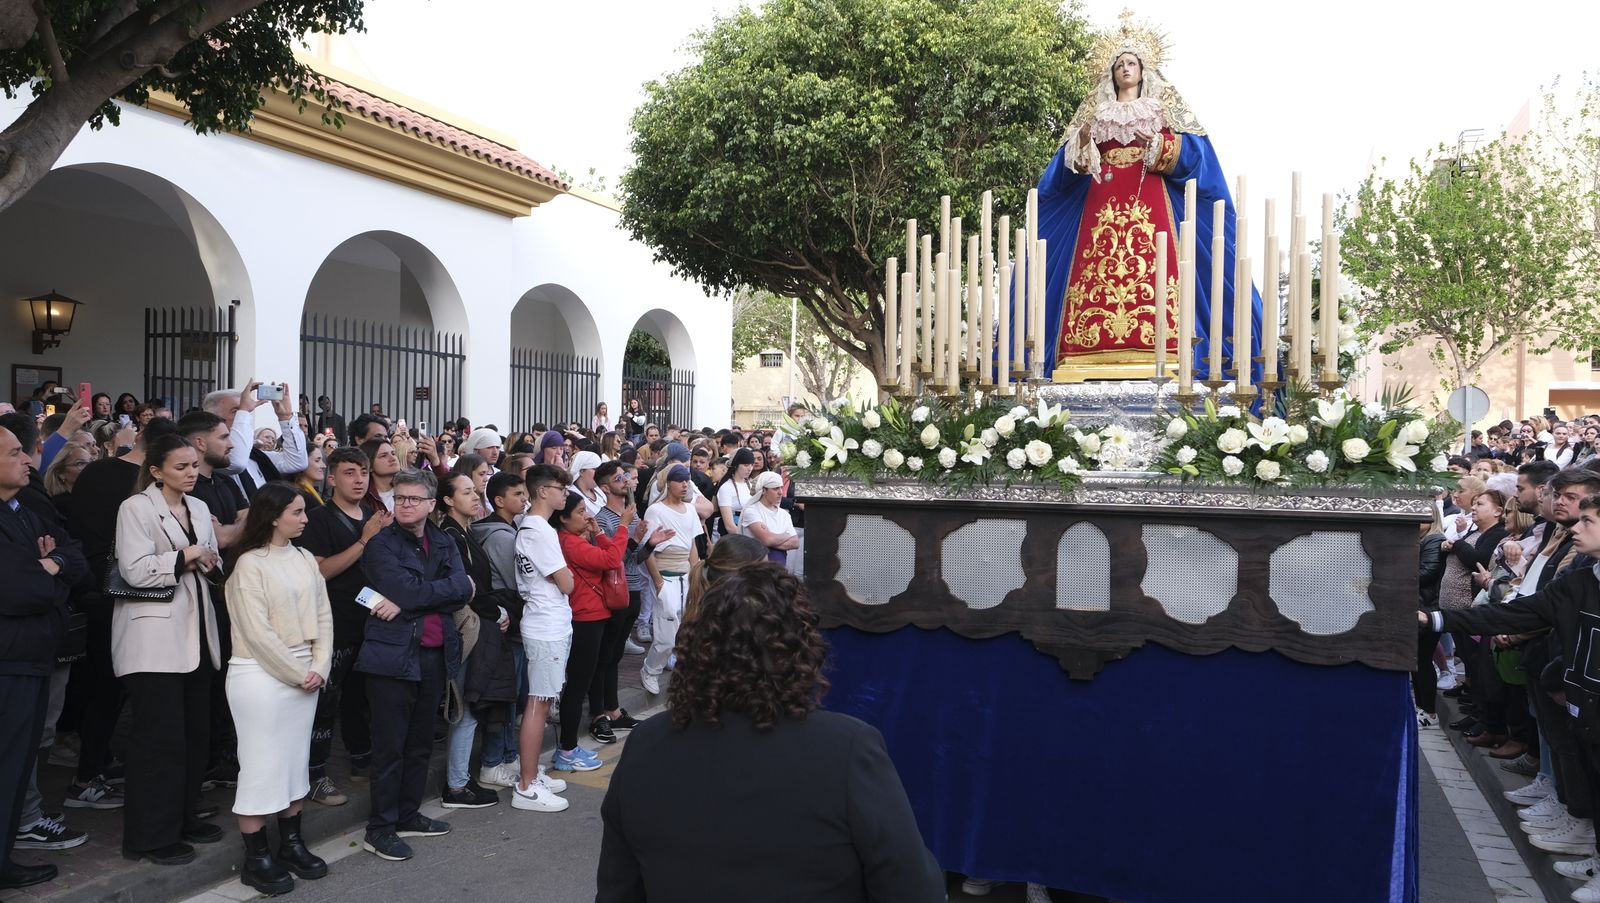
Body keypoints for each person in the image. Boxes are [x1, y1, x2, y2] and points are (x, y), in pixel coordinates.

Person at [595, 563, 944, 902]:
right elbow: (912, 887)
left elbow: (618, 888)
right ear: (801, 651)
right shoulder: (846, 750)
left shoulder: (646, 744)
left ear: (699, 647)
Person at [1038, 23, 1256, 380]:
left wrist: (1159, 145)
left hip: (1151, 202)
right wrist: (1084, 142)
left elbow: (1198, 156)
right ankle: (1085, 351)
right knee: (1095, 269)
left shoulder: (1163, 108)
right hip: (1101, 203)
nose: (1125, 68)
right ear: (1111, 73)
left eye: (1132, 63)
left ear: (1143, 71)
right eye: (1119, 63)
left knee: (1159, 265)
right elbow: (1065, 169)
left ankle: (1168, 350)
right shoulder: (1095, 113)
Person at [1421, 495, 1600, 901]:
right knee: (1591, 775)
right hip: (1587, 703)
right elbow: (1516, 613)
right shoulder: (1579, 583)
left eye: (1587, 521)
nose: (1575, 528)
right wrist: (1436, 618)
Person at [113, 434, 224, 865]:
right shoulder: (136, 508)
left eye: (194, 465)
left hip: (197, 632)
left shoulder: (198, 507)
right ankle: (149, 837)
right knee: (159, 740)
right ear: (156, 471)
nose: (192, 473)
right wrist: (185, 556)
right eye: (181, 467)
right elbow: (136, 569)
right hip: (153, 639)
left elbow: (211, 555)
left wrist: (203, 557)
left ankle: (183, 817)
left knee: (195, 734)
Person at [222, 484, 333, 894]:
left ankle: (290, 844)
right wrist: (298, 672)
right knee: (261, 766)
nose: (306, 518)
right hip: (259, 677)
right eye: (298, 512)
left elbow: (324, 615)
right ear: (273, 516)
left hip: (305, 674)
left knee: (293, 763)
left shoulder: (304, 557)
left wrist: (319, 666)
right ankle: (257, 858)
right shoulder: (249, 564)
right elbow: (256, 632)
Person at [357, 468, 470, 862]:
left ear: (431, 505)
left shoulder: (442, 541)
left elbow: (464, 589)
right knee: (389, 747)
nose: (404, 504)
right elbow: (407, 589)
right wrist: (423, 594)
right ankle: (380, 828)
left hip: (435, 655)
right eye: (399, 498)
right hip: (391, 657)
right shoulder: (381, 544)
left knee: (420, 743)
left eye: (412, 499)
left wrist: (415, 598)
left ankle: (407, 815)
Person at [1, 423, 87, 892]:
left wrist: (50, 565)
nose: (29, 461)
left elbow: (75, 560)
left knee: (18, 766)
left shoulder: (24, 511)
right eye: (16, 453)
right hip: (8, 661)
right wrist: (50, 572)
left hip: (34, 655)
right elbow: (21, 590)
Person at [296, 447, 391, 806]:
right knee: (325, 702)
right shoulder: (319, 519)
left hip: (371, 622)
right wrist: (365, 539)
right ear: (331, 478)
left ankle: (362, 760)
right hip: (333, 624)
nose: (359, 479)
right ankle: (315, 774)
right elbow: (320, 571)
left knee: (362, 698)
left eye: (363, 472)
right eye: (350, 473)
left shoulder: (373, 513)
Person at [435, 473, 505, 810]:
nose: (476, 497)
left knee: (470, 707)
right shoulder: (449, 535)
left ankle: (460, 782)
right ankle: (457, 786)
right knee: (464, 709)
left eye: (476, 492)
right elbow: (466, 587)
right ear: (447, 500)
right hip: (466, 626)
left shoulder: (463, 532)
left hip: (476, 622)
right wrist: (497, 611)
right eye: (467, 492)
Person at [510, 465, 576, 813]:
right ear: (541, 491)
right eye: (559, 487)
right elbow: (565, 582)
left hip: (549, 622)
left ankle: (532, 774)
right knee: (538, 703)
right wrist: (568, 579)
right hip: (545, 624)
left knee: (544, 700)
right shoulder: (538, 531)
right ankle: (526, 784)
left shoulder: (534, 527)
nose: (565, 493)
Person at [549, 489, 629, 773]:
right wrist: (621, 528)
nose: (587, 516)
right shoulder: (570, 543)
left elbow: (607, 556)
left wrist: (599, 534)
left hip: (593, 615)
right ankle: (567, 750)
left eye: (586, 510)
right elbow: (611, 560)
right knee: (577, 686)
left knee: (583, 681)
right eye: (580, 512)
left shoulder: (574, 538)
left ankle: (570, 746)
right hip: (585, 618)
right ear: (563, 518)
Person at [640, 466, 702, 695]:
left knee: (687, 626)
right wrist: (658, 582)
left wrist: (695, 574)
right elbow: (649, 551)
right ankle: (650, 670)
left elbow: (693, 545)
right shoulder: (655, 511)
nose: (685, 485)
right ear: (669, 483)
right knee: (666, 633)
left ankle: (679, 667)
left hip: (686, 574)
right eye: (680, 481)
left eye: (687, 481)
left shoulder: (690, 509)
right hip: (665, 575)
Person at [741, 471, 800, 566]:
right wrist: (786, 535)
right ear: (764, 490)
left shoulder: (784, 514)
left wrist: (772, 539)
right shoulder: (752, 511)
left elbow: (795, 543)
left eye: (781, 487)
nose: (780, 492)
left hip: (779, 567)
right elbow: (767, 539)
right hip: (756, 566)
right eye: (775, 488)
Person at [713, 448, 756, 539]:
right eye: (746, 465)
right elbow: (729, 526)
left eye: (752, 465)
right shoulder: (726, 487)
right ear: (736, 465)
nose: (750, 468)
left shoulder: (750, 485)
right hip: (734, 537)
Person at [361, 439, 401, 512]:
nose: (392, 458)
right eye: (383, 456)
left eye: (393, 453)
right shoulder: (363, 497)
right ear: (369, 466)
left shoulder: (410, 487)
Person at [294, 443, 328, 508]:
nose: (324, 466)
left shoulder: (307, 494)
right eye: (317, 460)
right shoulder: (302, 497)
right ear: (302, 462)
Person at [571, 451, 606, 515]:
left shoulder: (599, 490)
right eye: (595, 469)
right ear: (581, 471)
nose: (599, 473)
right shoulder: (572, 494)